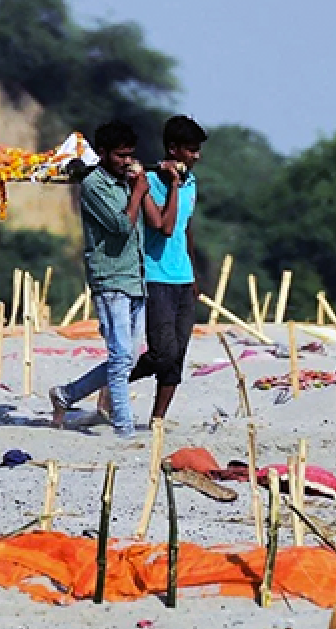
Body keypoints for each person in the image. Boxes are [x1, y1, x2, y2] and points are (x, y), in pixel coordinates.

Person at [48, 120, 149, 438]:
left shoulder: (124, 182)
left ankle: (66, 395)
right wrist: (138, 191)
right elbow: (121, 226)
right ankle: (124, 430)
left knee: (128, 360)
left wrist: (137, 187)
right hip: (110, 280)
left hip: (135, 278)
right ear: (102, 154)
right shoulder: (94, 186)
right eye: (120, 156)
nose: (127, 162)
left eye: (130, 155)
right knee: (119, 357)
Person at [129, 115, 208, 423]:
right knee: (163, 352)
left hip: (182, 279)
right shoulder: (151, 183)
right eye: (191, 149)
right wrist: (173, 184)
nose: (196, 156)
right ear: (173, 150)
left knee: (177, 356)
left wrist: (193, 273)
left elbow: (185, 229)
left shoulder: (192, 184)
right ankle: (114, 384)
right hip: (155, 277)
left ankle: (157, 420)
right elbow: (164, 226)